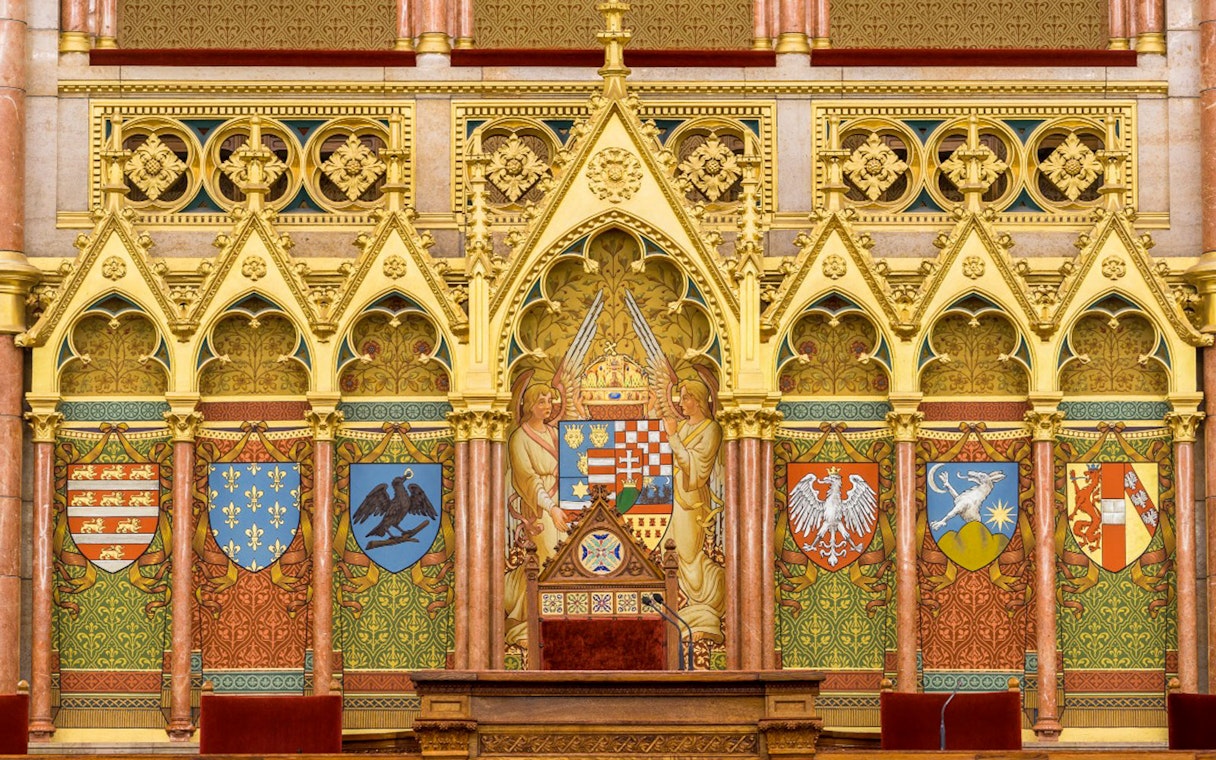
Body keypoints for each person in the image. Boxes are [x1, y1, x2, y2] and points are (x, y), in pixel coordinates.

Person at [662, 379, 726, 642]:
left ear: (699, 401)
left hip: (691, 503)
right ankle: (675, 608)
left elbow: (696, 471)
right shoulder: (686, 426)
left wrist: (672, 436)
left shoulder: (710, 429)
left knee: (688, 555)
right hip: (670, 499)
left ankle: (703, 609)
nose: (681, 402)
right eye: (680, 397)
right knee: (669, 551)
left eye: (686, 397)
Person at [504, 382, 564, 647]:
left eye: (550, 401)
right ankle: (539, 620)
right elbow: (528, 480)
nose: (547, 406)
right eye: (542, 402)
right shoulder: (519, 437)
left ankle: (564, 619)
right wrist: (551, 508)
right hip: (540, 509)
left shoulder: (555, 433)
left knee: (567, 559)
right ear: (529, 405)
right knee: (548, 561)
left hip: (562, 505)